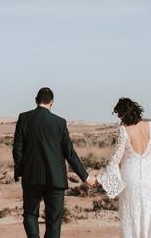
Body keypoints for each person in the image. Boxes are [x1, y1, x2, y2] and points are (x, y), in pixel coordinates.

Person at [93, 97, 151, 238]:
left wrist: (102, 177)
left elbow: (116, 158)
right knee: (150, 210)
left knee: (131, 214)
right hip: (148, 176)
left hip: (130, 176)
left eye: (120, 115)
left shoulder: (123, 131)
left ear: (125, 114)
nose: (119, 119)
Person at [13, 87, 96, 238]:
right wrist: (85, 177)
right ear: (52, 103)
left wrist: (20, 171)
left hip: (31, 177)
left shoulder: (24, 118)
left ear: (36, 100)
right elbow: (69, 153)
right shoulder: (60, 123)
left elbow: (17, 149)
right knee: (54, 221)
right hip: (56, 179)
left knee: (30, 214)